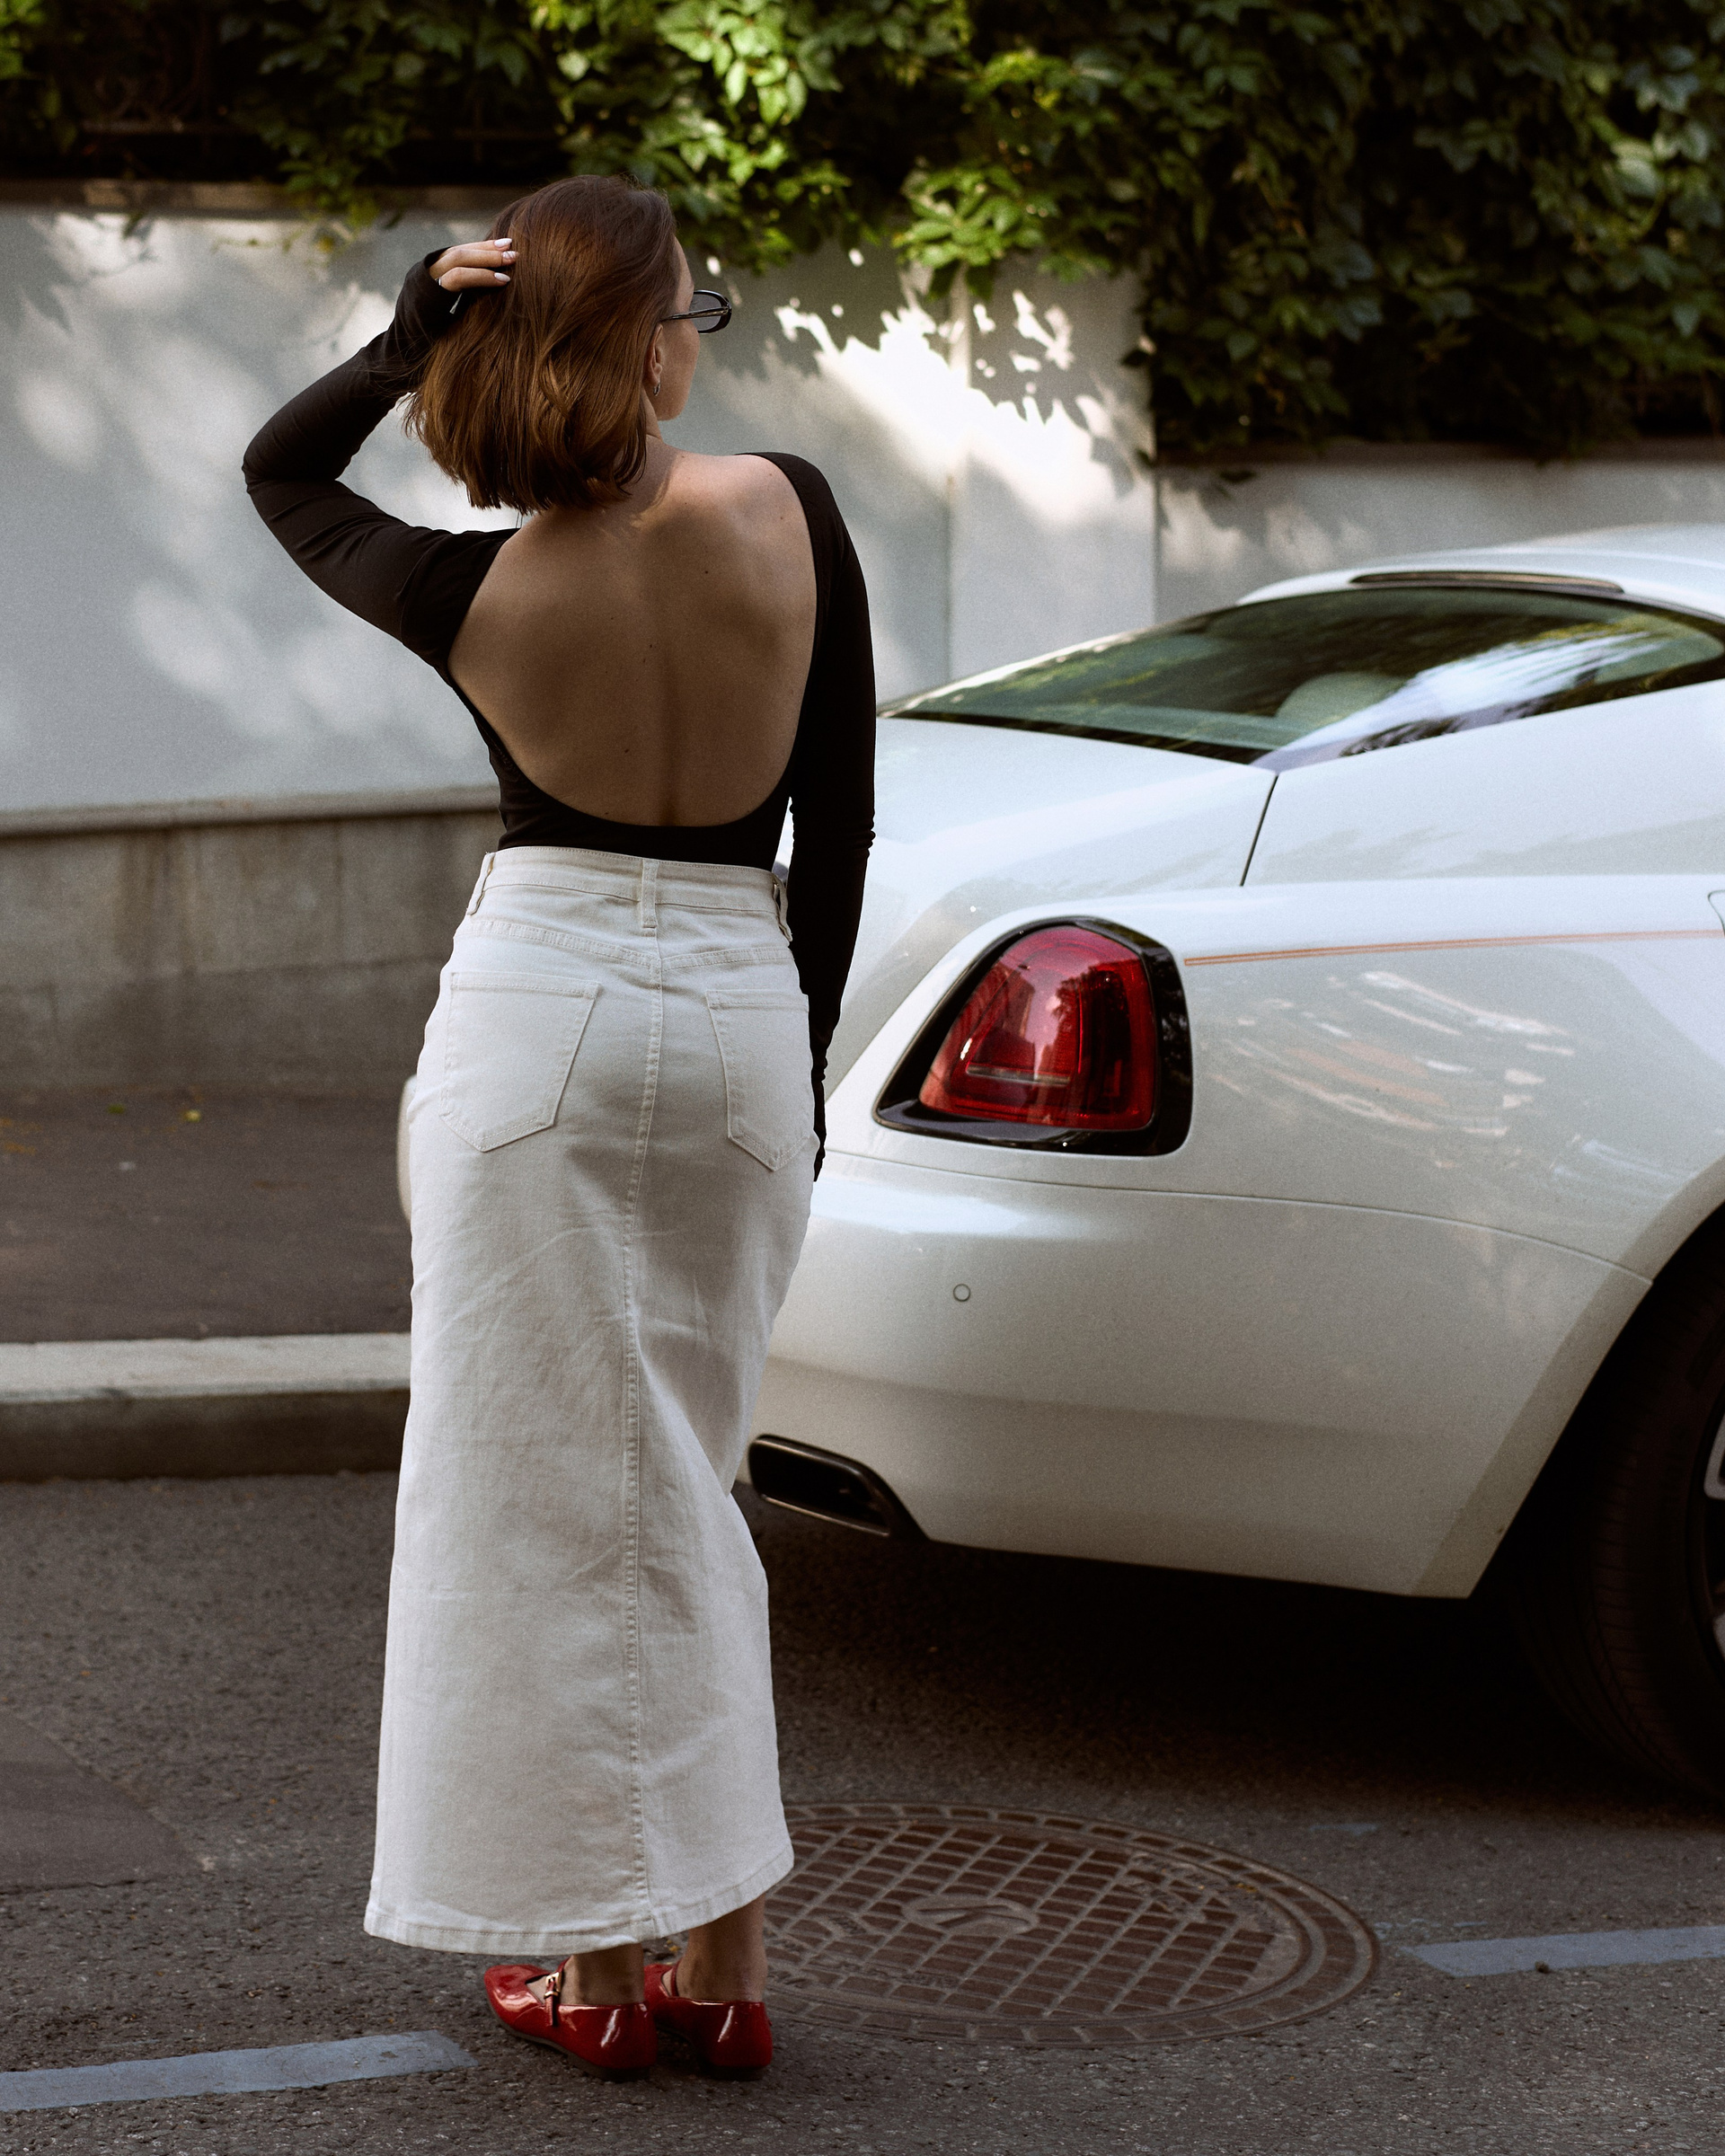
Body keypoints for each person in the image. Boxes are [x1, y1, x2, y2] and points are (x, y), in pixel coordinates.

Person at [242, 174, 874, 2080]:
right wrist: (799, 1070)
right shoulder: (794, 509)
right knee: (695, 1477)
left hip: (540, 1010)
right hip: (741, 1000)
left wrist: (410, 334)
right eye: (697, 309)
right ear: (654, 341)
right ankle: (724, 1970)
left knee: (531, 1496)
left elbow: (283, 474)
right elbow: (839, 823)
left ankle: (591, 1981)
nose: (704, 338)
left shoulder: (469, 588)